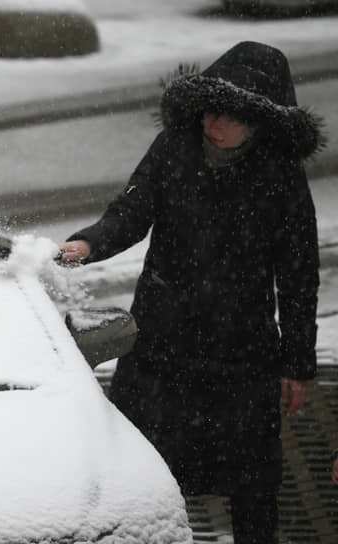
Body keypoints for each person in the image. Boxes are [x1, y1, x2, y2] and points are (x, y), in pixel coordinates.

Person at [58, 41, 323, 544]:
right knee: (144, 474)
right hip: (162, 343)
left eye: (229, 116)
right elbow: (132, 210)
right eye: (209, 111)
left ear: (259, 122)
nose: (212, 124)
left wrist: (296, 362)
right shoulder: (175, 146)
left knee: (252, 486)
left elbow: (298, 276)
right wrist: (88, 242)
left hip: (240, 352)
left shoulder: (280, 176)